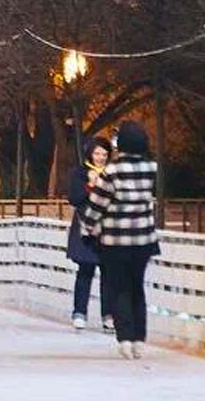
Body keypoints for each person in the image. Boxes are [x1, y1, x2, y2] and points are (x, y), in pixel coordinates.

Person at [80, 121, 159, 359]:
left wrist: (88, 228)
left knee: (119, 288)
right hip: (144, 238)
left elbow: (97, 204)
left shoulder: (112, 171)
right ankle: (139, 339)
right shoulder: (151, 168)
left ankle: (125, 337)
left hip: (116, 239)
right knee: (137, 287)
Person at [65, 137, 114, 332]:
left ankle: (109, 314)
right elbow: (74, 198)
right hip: (86, 226)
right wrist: (90, 186)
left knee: (109, 273)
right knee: (86, 270)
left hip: (109, 228)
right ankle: (79, 312)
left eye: (104, 154)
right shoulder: (80, 173)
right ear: (90, 154)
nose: (101, 158)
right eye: (97, 154)